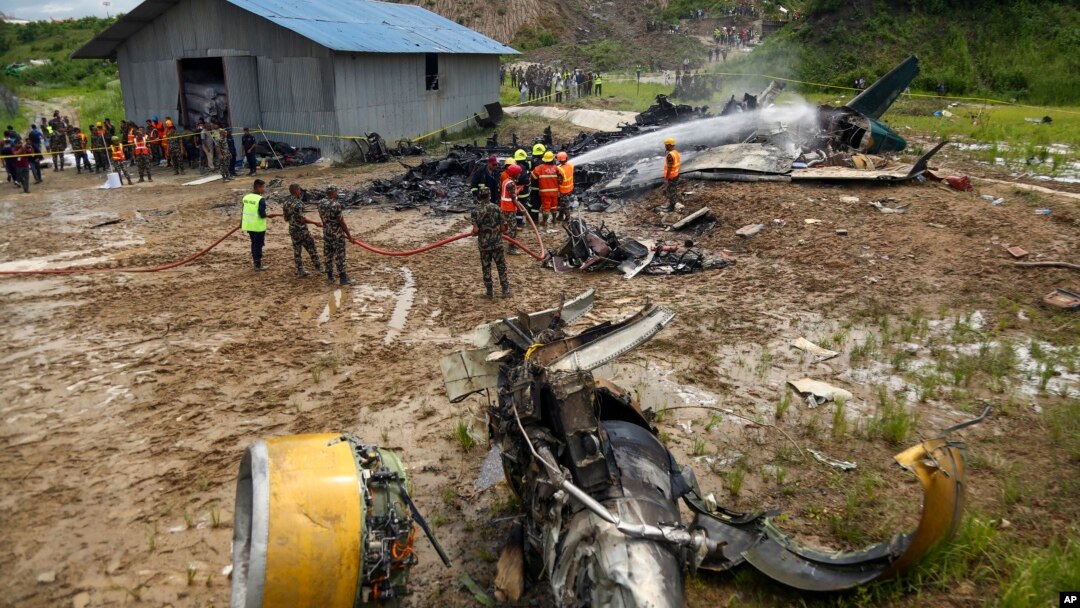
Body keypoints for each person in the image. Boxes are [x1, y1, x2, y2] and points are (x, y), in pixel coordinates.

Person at [470, 184, 510, 299]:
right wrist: (497, 230)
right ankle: (505, 290)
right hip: (497, 243)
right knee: (501, 266)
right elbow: (504, 227)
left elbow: (476, 230)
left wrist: (476, 232)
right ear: (489, 195)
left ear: (479, 196)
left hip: (484, 245)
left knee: (486, 267)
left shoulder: (475, 211)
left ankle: (489, 292)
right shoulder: (497, 208)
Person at [282, 183, 323, 278]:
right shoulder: (299, 203)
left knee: (297, 251)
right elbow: (302, 219)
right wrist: (315, 222)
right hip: (301, 230)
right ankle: (318, 267)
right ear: (296, 191)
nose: (300, 191)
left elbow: (285, 218)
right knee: (311, 247)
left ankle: (300, 270)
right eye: (299, 190)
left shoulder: (286, 202)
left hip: (292, 229)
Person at [318, 185, 352, 285]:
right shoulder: (335, 204)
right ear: (333, 192)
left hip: (326, 232)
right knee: (340, 256)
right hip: (337, 234)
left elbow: (322, 217)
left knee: (328, 255)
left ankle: (330, 277)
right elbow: (341, 222)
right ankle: (343, 278)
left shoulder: (320, 203)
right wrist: (349, 236)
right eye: (336, 191)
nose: (337, 193)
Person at [241, 179, 269, 270]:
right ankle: (258, 264)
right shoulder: (261, 199)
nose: (264, 189)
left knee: (253, 243)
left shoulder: (246, 197)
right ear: (258, 187)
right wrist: (269, 215)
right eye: (263, 187)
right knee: (258, 245)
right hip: (258, 226)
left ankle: (255, 261)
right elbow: (262, 214)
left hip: (249, 225)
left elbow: (243, 210)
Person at [532, 150, 562, 227]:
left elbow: (533, 177)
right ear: (552, 159)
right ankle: (554, 219)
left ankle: (544, 222)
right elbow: (561, 179)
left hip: (545, 192)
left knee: (546, 207)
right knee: (554, 206)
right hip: (555, 191)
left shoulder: (540, 168)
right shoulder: (556, 168)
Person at [500, 164, 523, 255]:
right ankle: (511, 248)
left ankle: (510, 244)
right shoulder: (511, 184)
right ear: (515, 174)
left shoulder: (506, 181)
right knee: (513, 228)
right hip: (509, 208)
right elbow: (513, 199)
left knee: (504, 227)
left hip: (504, 207)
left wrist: (517, 190)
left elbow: (509, 194)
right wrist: (521, 209)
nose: (520, 175)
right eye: (519, 173)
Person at [663, 137, 681, 211]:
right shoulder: (676, 152)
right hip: (676, 175)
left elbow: (669, 168)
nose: (665, 146)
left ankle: (671, 207)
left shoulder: (670, 155)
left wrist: (666, 178)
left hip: (671, 176)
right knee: (673, 190)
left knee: (671, 191)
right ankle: (672, 204)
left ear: (669, 145)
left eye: (666, 145)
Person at [556, 151, 574, 223]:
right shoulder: (571, 165)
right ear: (566, 158)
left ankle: (567, 218)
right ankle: (560, 216)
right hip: (570, 188)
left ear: (558, 160)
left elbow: (559, 181)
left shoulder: (560, 170)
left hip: (563, 190)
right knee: (562, 204)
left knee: (565, 205)